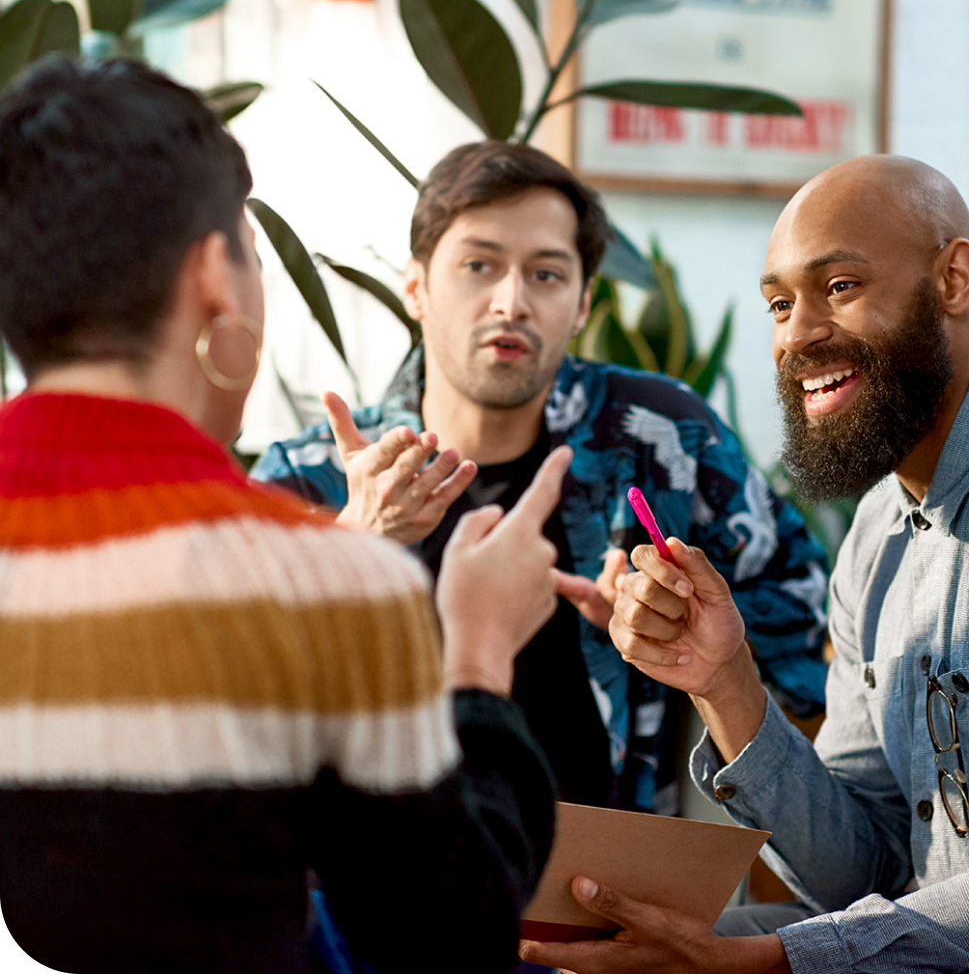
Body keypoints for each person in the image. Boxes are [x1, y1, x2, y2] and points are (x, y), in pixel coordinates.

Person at [519, 154, 969, 973]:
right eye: (780, 304)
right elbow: (869, 870)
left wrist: (762, 962)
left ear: (955, 278)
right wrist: (724, 682)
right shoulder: (878, 531)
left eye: (841, 287)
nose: (797, 334)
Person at [0, 57, 564, 974]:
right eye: (255, 259)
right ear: (215, 277)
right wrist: (476, 655)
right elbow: (445, 942)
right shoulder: (334, 583)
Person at [253, 141, 829, 815]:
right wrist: (352, 544)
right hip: (375, 869)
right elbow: (215, 702)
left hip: (612, 868)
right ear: (416, 287)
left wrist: (678, 625)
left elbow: (803, 608)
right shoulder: (309, 479)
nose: (511, 301)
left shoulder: (662, 437)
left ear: (582, 303)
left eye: (546, 274)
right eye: (479, 265)